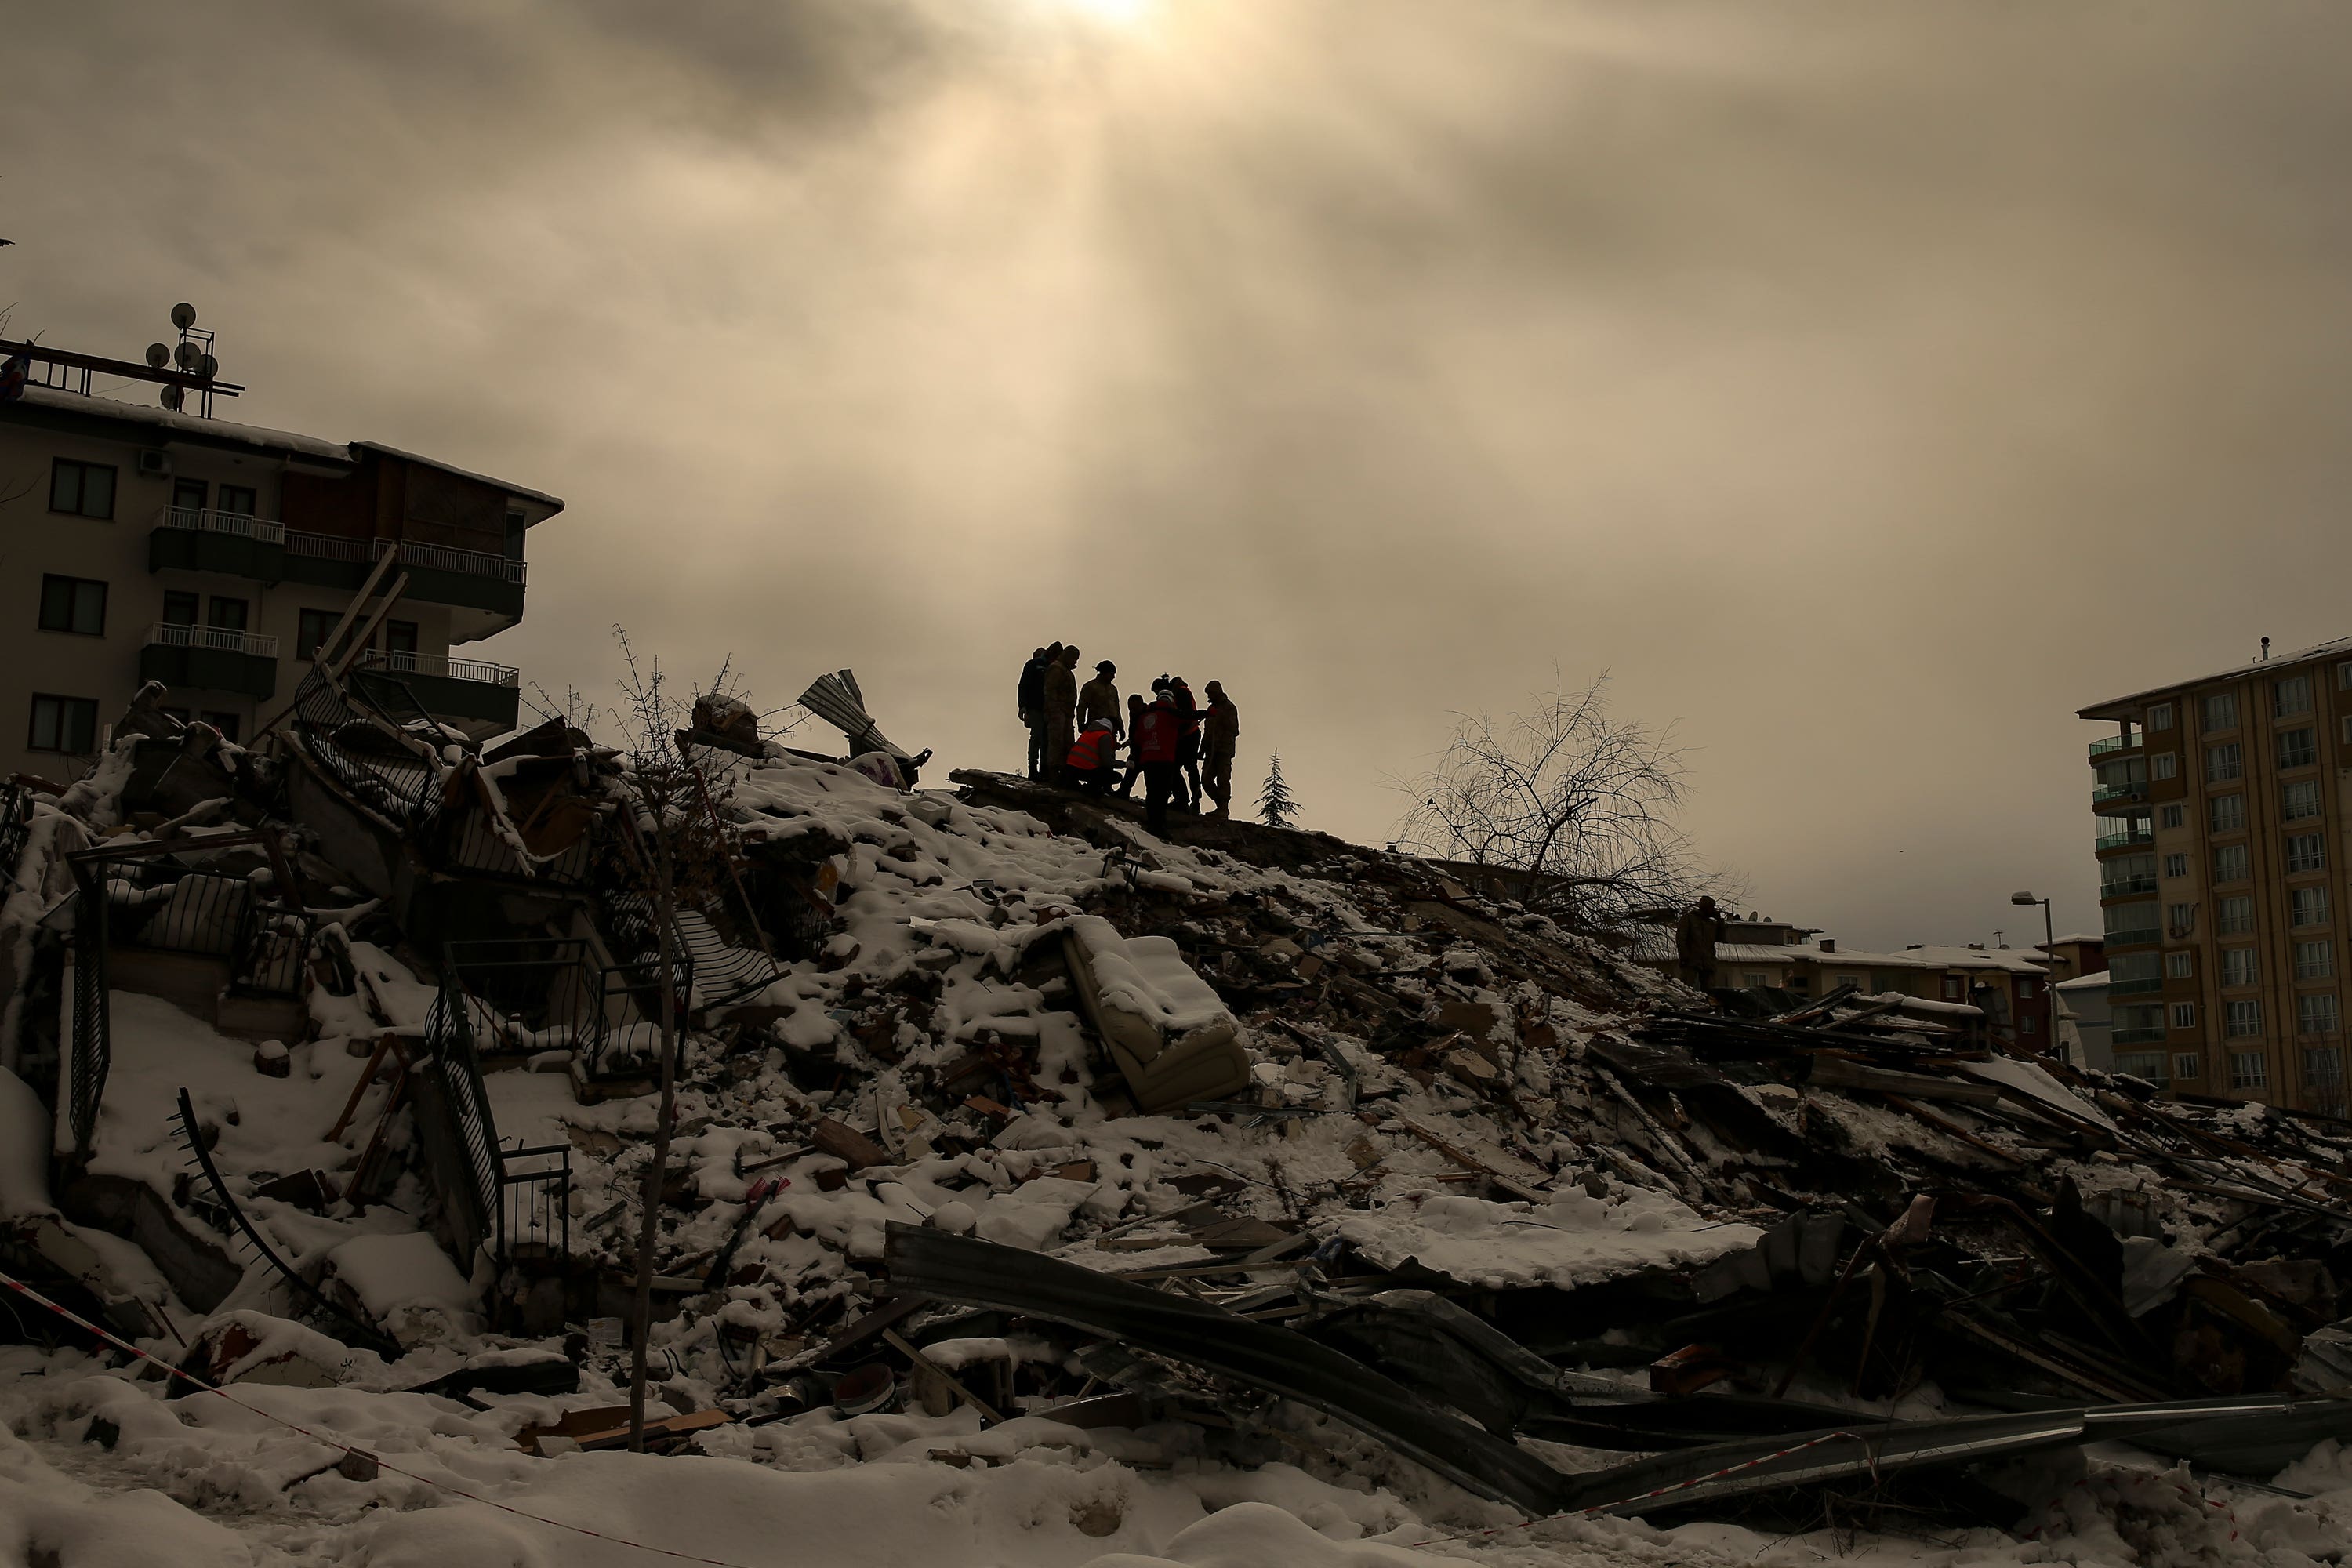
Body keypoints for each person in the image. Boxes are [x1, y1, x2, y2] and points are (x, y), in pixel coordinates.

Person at [1131, 685, 1184, 833]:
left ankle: (1152, 823)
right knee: (1162, 793)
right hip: (1165, 758)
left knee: (1152, 792)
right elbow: (1186, 721)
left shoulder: (1144, 716)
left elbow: (1138, 738)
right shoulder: (1171, 714)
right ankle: (1159, 825)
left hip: (1148, 759)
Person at [1199, 680, 1239, 818]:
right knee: (1205, 780)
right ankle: (1220, 804)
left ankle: (1223, 808)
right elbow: (1207, 731)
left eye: (1211, 693)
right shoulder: (1211, 709)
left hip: (1223, 751)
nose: (1209, 696)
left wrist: (1221, 718)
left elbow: (1234, 730)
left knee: (1223, 779)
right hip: (1211, 751)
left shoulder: (1229, 708)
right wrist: (1202, 749)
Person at [1043, 644, 1080, 787]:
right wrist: (1054, 711)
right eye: (1074, 658)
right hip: (1057, 712)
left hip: (1067, 713)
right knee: (1056, 742)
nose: (1075, 662)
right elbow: (1050, 691)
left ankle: (1066, 773)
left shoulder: (1066, 671)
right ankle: (1054, 773)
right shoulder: (1056, 668)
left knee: (1068, 743)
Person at [1674, 895, 1726, 996]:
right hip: (1691, 960)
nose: (1712, 910)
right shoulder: (1689, 918)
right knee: (1686, 988)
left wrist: (1719, 920)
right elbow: (1681, 938)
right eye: (1711, 907)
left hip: (1708, 961)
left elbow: (1721, 938)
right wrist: (1684, 956)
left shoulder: (1711, 923)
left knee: (1710, 992)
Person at [1167, 675, 1203, 811]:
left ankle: (1185, 799)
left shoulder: (1181, 692)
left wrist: (1178, 732)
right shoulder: (1184, 691)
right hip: (1191, 733)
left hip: (1188, 735)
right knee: (1190, 768)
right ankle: (1193, 800)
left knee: (1176, 766)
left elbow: (1185, 714)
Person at [1018, 646, 1051, 780]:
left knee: (1046, 739)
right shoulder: (1032, 665)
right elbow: (1023, 685)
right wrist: (1022, 706)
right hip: (1034, 708)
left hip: (1048, 708)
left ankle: (1044, 769)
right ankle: (1033, 768)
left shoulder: (1051, 667)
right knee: (1036, 737)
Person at [1065, 718, 1120, 795]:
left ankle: (1074, 783)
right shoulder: (1105, 736)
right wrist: (1125, 764)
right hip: (1084, 770)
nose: (1115, 734)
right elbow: (1108, 761)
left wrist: (1113, 746)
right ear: (1113, 728)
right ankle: (1092, 789)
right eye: (1116, 732)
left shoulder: (1089, 731)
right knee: (1115, 776)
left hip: (1070, 768)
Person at [1079, 660, 1123, 739]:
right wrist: (1081, 724)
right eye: (1112, 674)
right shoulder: (1090, 687)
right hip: (1095, 727)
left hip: (1111, 728)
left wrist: (1121, 727)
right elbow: (1082, 707)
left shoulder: (1113, 689)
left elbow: (1117, 709)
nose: (1114, 677)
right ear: (1104, 673)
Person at [1116, 693, 1148, 798]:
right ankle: (1123, 792)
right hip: (1135, 749)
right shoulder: (1134, 714)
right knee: (1131, 770)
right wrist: (1128, 742)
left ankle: (1153, 799)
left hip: (1147, 750)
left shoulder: (1148, 715)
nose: (1132, 710)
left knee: (1149, 776)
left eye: (1134, 708)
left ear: (1141, 705)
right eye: (1130, 708)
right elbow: (1134, 733)